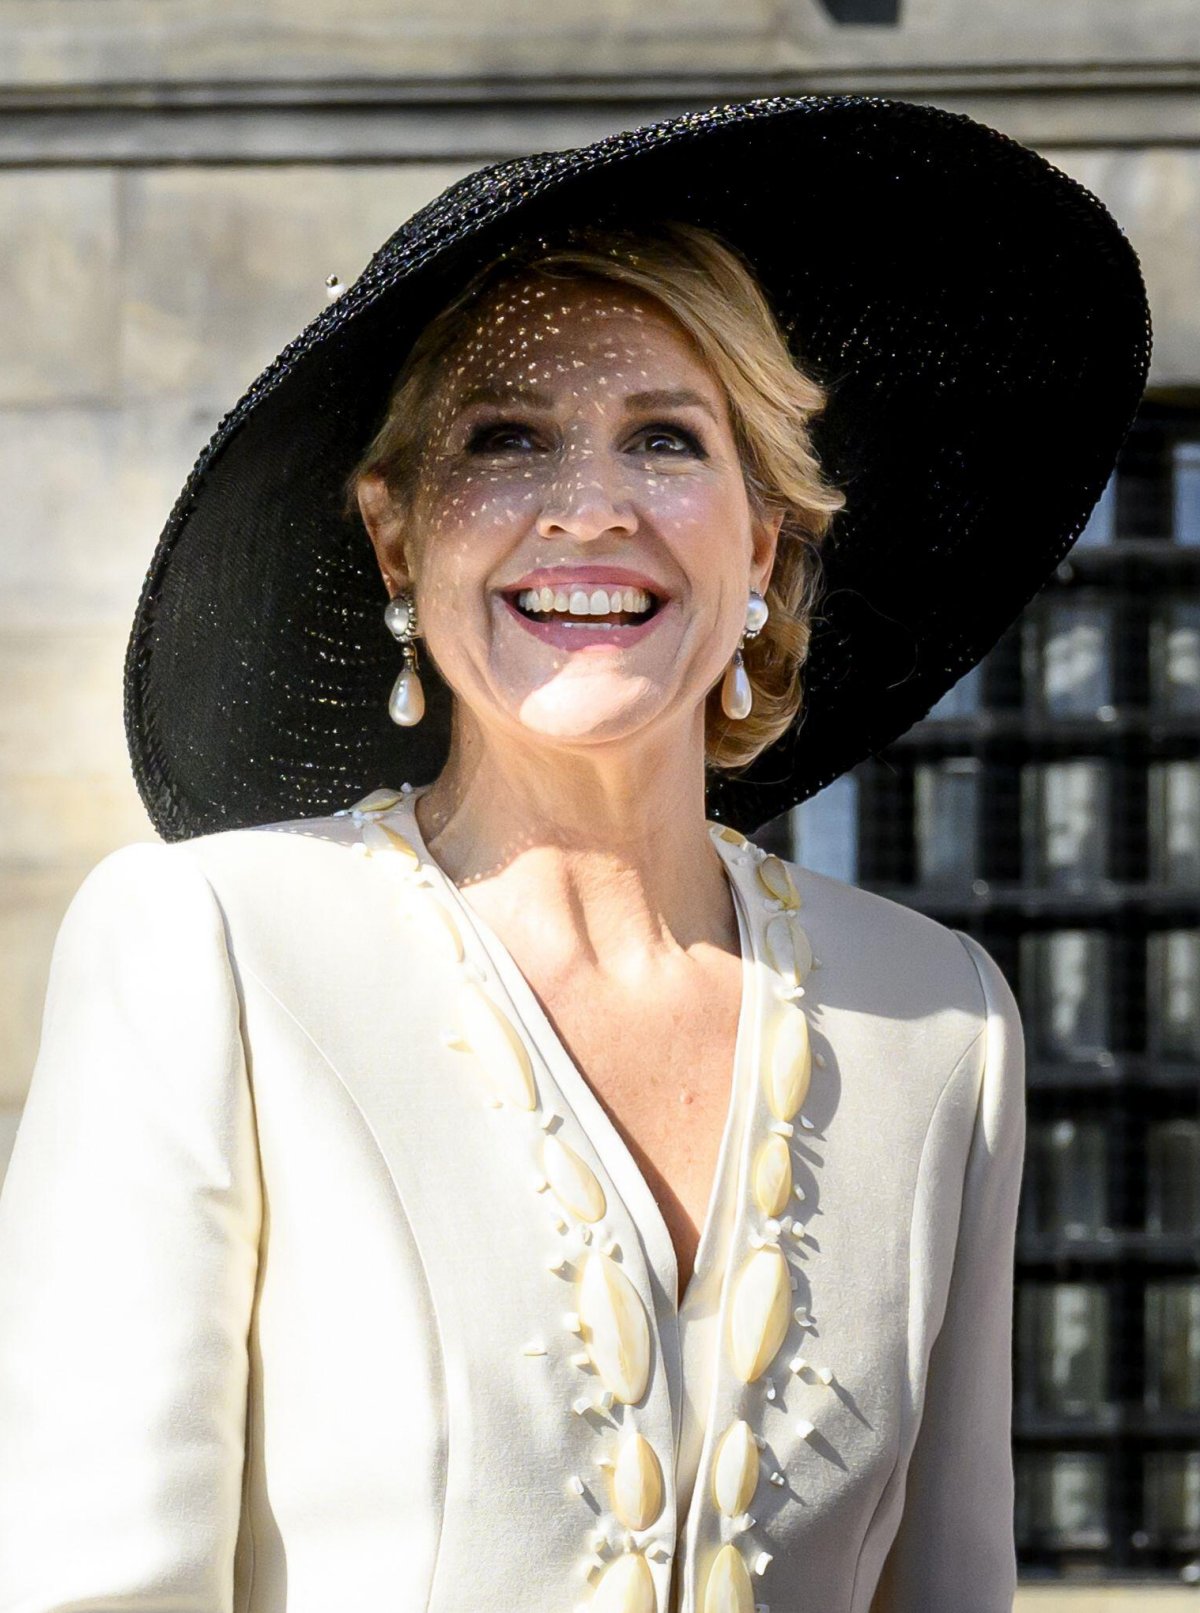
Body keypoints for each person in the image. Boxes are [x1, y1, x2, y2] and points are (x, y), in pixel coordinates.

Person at [0, 96, 1149, 1613]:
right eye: (507, 438)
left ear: (765, 544)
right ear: (398, 536)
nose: (588, 507)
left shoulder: (943, 1023)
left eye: (666, 438)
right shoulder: (206, 946)